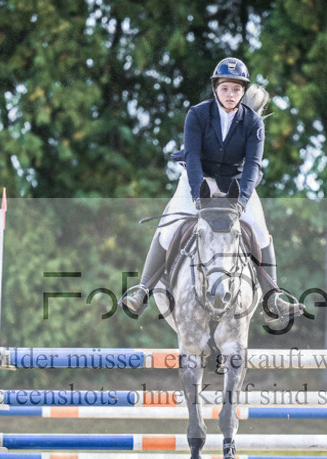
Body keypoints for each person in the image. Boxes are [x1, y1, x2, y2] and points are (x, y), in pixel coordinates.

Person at [119, 56, 303, 319]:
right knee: (168, 227)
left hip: (236, 185)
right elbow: (192, 157)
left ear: (242, 91)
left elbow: (253, 165)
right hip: (199, 178)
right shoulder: (197, 114)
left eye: (237, 89)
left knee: (260, 231)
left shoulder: (253, 123)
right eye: (225, 88)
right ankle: (143, 290)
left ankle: (273, 296)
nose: (231, 95)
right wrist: (198, 195)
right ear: (216, 88)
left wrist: (241, 201)